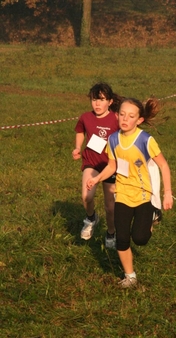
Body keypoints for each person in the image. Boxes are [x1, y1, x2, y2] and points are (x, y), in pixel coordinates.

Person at [86, 97, 173, 288]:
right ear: (117, 115)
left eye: (131, 116)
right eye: (122, 114)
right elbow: (112, 166)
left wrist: (167, 193)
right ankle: (130, 276)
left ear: (139, 120)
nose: (125, 119)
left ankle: (152, 215)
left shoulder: (145, 140)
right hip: (123, 194)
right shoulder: (113, 139)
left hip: (143, 195)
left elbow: (164, 166)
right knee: (122, 238)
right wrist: (96, 178)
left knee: (140, 239)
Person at [72, 82, 122, 248]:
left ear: (110, 101)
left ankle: (111, 233)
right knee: (87, 196)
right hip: (91, 163)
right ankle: (91, 218)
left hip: (111, 166)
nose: (97, 104)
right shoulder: (86, 117)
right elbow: (80, 131)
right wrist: (78, 148)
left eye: (101, 100)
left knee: (110, 208)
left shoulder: (116, 118)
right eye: (94, 100)